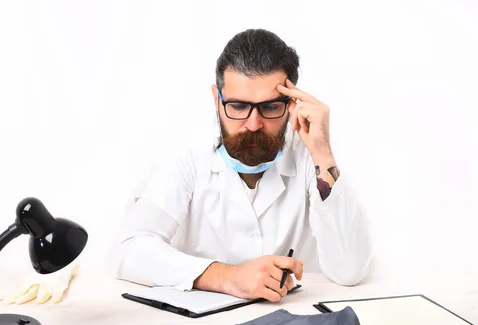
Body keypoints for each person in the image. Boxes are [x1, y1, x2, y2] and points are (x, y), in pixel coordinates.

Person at [113, 29, 373, 302]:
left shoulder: (311, 155)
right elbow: (129, 249)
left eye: (271, 107)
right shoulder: (187, 154)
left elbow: (350, 271)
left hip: (293, 323)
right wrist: (229, 277)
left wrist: (323, 154)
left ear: (292, 103)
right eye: (237, 106)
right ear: (217, 99)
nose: (253, 124)